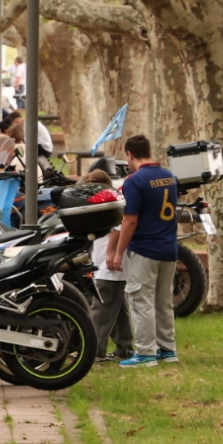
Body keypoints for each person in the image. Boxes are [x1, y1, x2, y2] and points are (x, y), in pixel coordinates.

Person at [110, 135, 179, 367]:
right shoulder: (169, 176)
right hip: (169, 248)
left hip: (145, 249)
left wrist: (118, 252)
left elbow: (129, 221)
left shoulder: (135, 181)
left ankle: (146, 352)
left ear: (129, 154)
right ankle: (168, 349)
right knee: (163, 302)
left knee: (141, 301)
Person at [81, 170, 133, 362]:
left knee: (101, 308)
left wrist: (111, 253)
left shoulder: (113, 203)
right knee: (117, 309)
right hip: (104, 262)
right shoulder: (106, 203)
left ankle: (94, 351)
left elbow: (119, 227)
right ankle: (124, 347)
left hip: (109, 264)